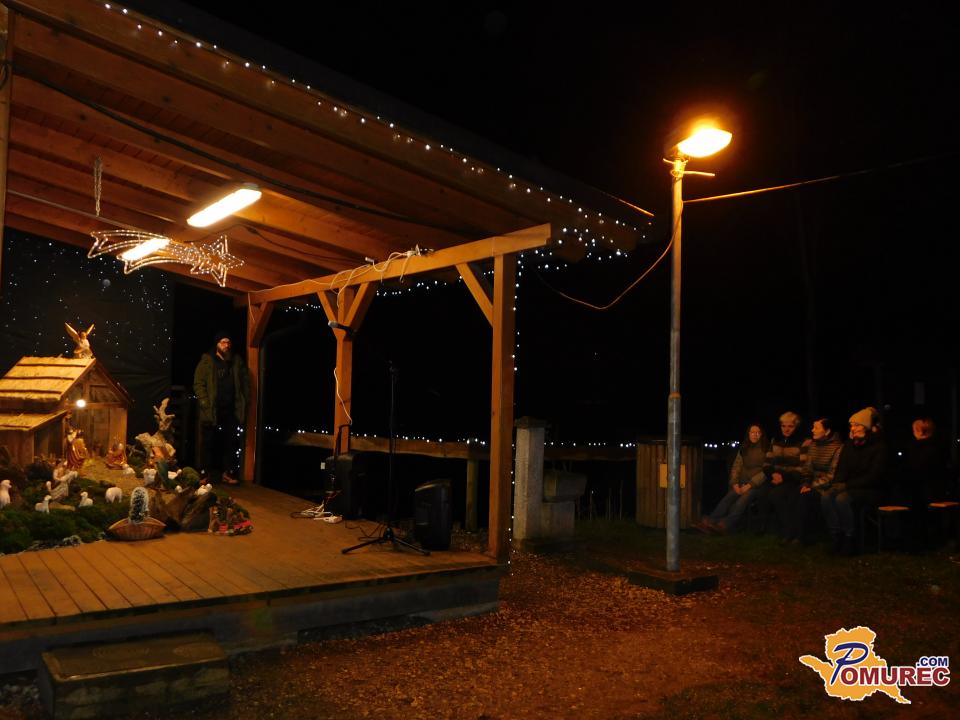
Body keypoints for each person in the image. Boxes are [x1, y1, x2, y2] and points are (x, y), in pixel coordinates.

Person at [821, 407, 887, 555]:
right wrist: (837, 484)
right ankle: (836, 536)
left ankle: (850, 538)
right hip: (850, 486)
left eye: (857, 425)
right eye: (852, 426)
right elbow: (841, 469)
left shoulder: (879, 446)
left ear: (866, 427)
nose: (853, 428)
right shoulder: (849, 445)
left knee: (842, 499)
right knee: (826, 496)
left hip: (871, 489)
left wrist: (846, 485)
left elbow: (874, 476)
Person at [193, 331, 249, 485]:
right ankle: (204, 473)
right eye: (223, 342)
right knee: (208, 442)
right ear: (217, 344)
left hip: (231, 409)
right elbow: (198, 383)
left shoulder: (236, 362)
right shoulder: (207, 361)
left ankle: (228, 472)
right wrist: (204, 402)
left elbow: (244, 382)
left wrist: (244, 400)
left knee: (230, 442)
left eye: (228, 342)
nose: (227, 345)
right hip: (212, 409)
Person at [694, 423, 769, 534]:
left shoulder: (766, 449)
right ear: (748, 434)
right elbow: (736, 466)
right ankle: (711, 521)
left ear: (762, 434)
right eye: (753, 432)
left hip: (757, 485)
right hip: (742, 482)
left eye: (758, 432)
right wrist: (735, 483)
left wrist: (750, 485)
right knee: (728, 498)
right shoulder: (744, 448)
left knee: (742, 501)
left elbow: (765, 471)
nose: (755, 435)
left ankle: (724, 525)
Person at [756, 411, 811, 543]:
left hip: (793, 479)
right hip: (776, 477)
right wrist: (773, 474)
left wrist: (784, 477)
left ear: (796, 426)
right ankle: (763, 527)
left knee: (776, 495)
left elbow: (803, 467)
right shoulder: (775, 440)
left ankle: (789, 531)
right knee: (762, 493)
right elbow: (767, 463)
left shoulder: (803, 442)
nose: (786, 429)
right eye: (783, 426)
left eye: (790, 426)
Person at [900, 416, 948, 550]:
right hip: (924, 488)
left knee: (915, 507)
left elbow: (917, 469)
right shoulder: (934, 446)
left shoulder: (922, 448)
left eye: (914, 430)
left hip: (925, 490)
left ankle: (917, 542)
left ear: (920, 431)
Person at [805, 417, 844, 548]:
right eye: (813, 427)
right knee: (797, 494)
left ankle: (835, 536)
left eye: (816, 428)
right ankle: (800, 534)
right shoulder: (813, 445)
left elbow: (832, 475)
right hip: (812, 484)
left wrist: (812, 486)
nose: (812, 430)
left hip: (827, 485)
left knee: (824, 499)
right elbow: (807, 468)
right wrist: (805, 483)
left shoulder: (837, 447)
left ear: (827, 431)